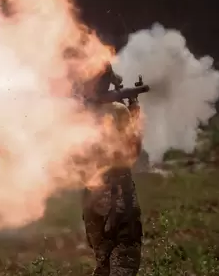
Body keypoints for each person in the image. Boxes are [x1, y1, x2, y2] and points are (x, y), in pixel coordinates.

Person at [81, 61, 143, 276]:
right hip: (118, 192)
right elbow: (132, 151)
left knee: (103, 262)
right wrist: (134, 109)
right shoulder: (117, 111)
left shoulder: (76, 116)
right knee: (126, 256)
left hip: (91, 197)